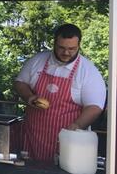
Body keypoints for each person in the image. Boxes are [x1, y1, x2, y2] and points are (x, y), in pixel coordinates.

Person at [13, 23, 106, 162]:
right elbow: (20, 83)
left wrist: (77, 125)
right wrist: (29, 96)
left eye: (72, 49)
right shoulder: (37, 61)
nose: (66, 53)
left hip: (67, 140)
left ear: (79, 45)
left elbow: (94, 107)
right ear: (54, 42)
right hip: (33, 135)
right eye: (61, 48)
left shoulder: (88, 71)